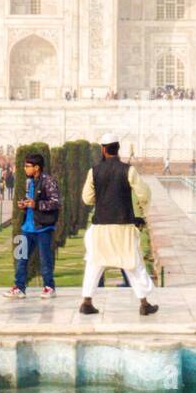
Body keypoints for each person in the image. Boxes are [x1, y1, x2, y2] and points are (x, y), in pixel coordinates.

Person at [79, 134, 158, 315]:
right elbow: (144, 194)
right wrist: (141, 209)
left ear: (103, 149)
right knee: (132, 263)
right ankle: (144, 303)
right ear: (118, 148)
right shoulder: (128, 170)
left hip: (101, 226)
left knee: (94, 263)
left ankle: (86, 301)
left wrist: (102, 198)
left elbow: (87, 198)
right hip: (123, 226)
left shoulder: (94, 171)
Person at [6, 152, 61, 299]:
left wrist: (36, 204)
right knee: (21, 258)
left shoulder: (48, 181)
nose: (24, 168)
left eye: (27, 166)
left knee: (45, 259)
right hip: (27, 228)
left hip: (43, 228)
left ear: (37, 167)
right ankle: (19, 287)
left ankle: (49, 287)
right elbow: (30, 200)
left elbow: (55, 203)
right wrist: (24, 204)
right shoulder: (28, 182)